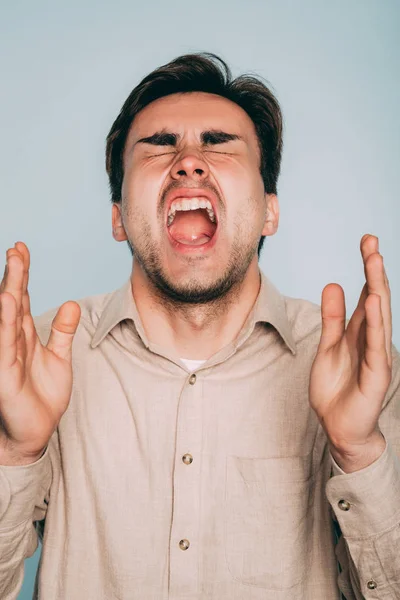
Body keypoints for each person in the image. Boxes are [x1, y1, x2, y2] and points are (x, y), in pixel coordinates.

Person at [0, 53, 399, 600]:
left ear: (268, 212)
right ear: (118, 215)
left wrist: (359, 451)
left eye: (219, 143)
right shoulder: (31, 361)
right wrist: (17, 453)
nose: (188, 162)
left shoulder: (364, 371)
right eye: (160, 145)